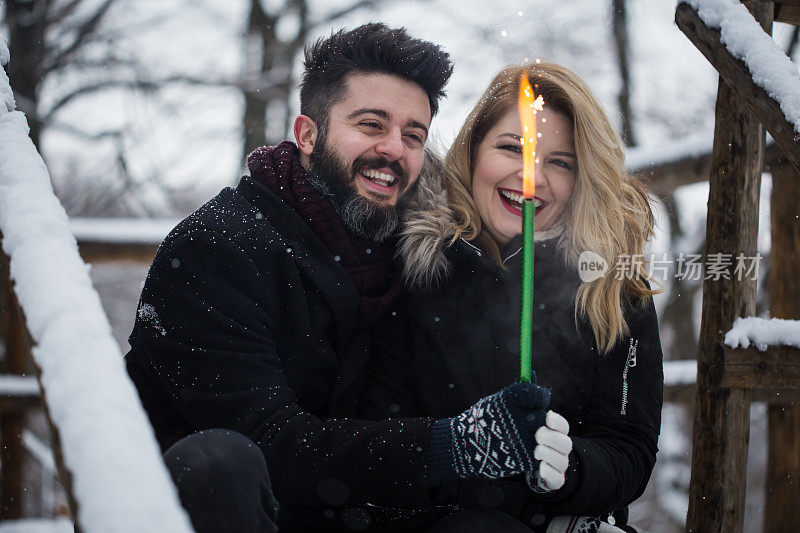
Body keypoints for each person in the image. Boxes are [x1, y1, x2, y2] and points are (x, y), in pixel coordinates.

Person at [126, 24, 562, 533]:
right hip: (207, 513)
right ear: (308, 134)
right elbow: (269, 447)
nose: (394, 149)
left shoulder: (412, 258)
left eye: (413, 135)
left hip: (345, 517)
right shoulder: (217, 249)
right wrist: (453, 444)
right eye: (372, 124)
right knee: (220, 463)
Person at [360, 62, 664, 532]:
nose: (532, 178)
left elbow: (630, 448)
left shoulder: (611, 286)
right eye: (510, 148)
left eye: (559, 162)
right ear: (473, 151)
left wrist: (571, 469)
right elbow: (382, 434)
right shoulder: (412, 266)